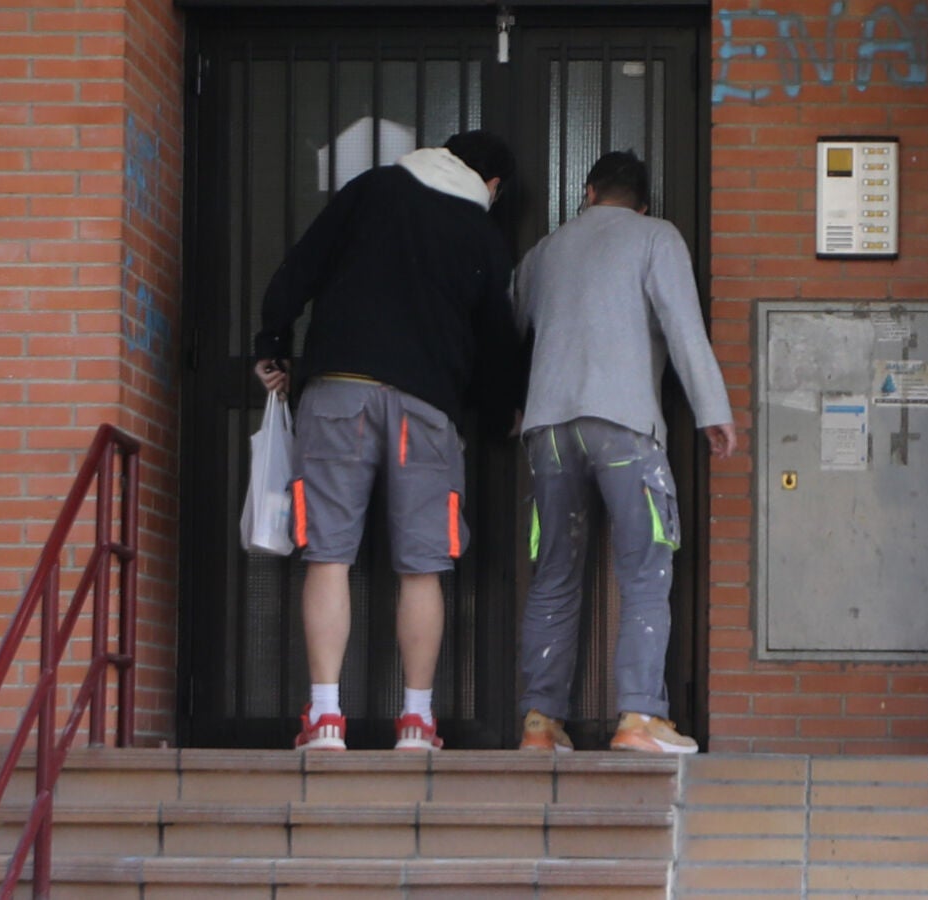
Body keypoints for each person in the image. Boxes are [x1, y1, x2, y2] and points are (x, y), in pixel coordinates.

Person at [252, 130, 521, 752]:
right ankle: (417, 722)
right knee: (423, 567)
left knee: (328, 556)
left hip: (339, 391)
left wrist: (273, 343)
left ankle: (325, 718)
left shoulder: (372, 188)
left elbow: (300, 267)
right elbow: (496, 339)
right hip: (425, 407)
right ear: (493, 185)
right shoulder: (482, 233)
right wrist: (500, 409)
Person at [512, 150, 736, 755]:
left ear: (587, 193)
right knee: (644, 572)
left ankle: (540, 724)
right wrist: (712, 410)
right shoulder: (656, 237)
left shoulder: (545, 251)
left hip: (549, 430)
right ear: (642, 204)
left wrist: (512, 404)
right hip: (624, 426)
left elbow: (508, 326)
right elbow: (684, 327)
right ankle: (638, 718)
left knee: (554, 575)